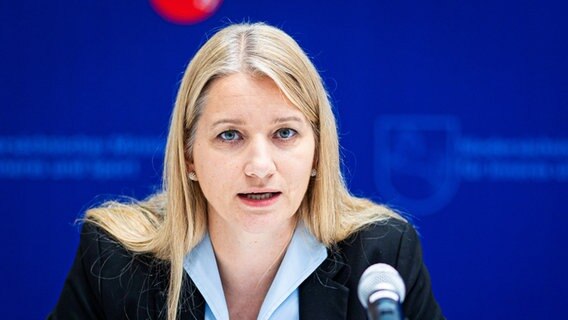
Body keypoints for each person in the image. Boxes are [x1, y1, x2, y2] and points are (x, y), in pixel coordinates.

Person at [49, 23, 444, 320]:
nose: (259, 166)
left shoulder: (380, 257)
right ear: (189, 156)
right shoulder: (114, 259)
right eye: (230, 135)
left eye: (284, 133)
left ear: (318, 151)